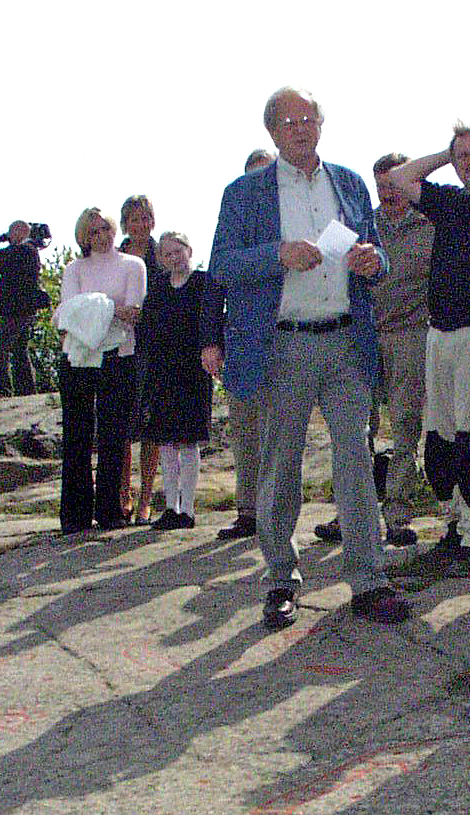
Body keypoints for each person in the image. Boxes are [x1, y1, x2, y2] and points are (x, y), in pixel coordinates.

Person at [208, 86, 410, 628]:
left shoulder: (347, 181)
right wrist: (276, 254)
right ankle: (280, 578)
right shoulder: (245, 192)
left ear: (322, 124)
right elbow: (222, 264)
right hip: (285, 343)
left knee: (356, 460)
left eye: (309, 118)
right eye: (289, 121)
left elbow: (374, 250)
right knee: (281, 464)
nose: (301, 128)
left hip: (347, 339)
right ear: (272, 132)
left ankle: (369, 580)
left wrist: (373, 258)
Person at [388, 125, 470, 578]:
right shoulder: (450, 203)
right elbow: (399, 179)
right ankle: (457, 526)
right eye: (464, 156)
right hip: (439, 335)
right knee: (441, 441)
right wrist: (447, 154)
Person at [314, 153, 435, 550]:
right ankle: (350, 513)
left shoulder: (430, 224)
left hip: (411, 334)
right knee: (354, 429)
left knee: (404, 426)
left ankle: (397, 515)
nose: (388, 192)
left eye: (394, 184)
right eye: (381, 185)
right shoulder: (359, 224)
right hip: (362, 335)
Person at [55, 208, 146, 533]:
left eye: (106, 228)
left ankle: (110, 510)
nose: (102, 236)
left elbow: (133, 312)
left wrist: (98, 308)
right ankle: (75, 514)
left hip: (118, 355)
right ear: (84, 236)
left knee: (114, 435)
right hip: (79, 358)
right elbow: (69, 313)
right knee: (77, 435)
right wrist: (110, 309)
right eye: (94, 231)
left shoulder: (133, 265)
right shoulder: (74, 269)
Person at [200, 149, 274, 541]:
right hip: (243, 343)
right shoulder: (233, 223)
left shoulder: (292, 220)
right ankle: (248, 510)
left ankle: (279, 510)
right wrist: (210, 341)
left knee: (281, 432)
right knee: (245, 431)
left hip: (287, 339)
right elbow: (214, 283)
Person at [142, 234, 212, 530]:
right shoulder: (157, 287)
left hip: (193, 371)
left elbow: (211, 323)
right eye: (167, 254)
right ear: (161, 259)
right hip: (163, 371)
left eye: (178, 251)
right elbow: (148, 327)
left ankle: (189, 509)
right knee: (167, 443)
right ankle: (171, 506)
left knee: (189, 441)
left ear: (189, 250)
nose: (174, 258)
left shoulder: (204, 282)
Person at [118, 195, 163, 523]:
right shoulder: (112, 256)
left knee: (151, 426)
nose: (140, 224)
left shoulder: (162, 256)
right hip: (119, 347)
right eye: (134, 219)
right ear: (124, 224)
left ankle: (146, 497)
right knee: (120, 426)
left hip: (154, 348)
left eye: (145, 217)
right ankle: (123, 492)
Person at [0, 220, 50, 398]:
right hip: (23, 309)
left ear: (20, 232)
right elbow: (4, 266)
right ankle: (27, 391)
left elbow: (6, 262)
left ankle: (3, 391)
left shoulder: (25, 250)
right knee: (19, 350)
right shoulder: (27, 251)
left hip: (18, 310)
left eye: (11, 232)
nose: (9, 236)